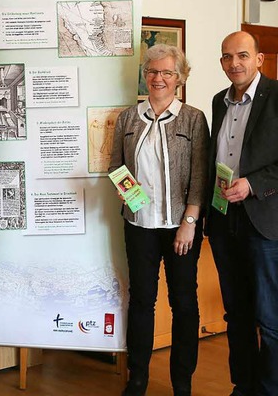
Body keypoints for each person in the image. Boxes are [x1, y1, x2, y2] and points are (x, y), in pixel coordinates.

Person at [109, 44, 209, 396]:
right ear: (145, 74)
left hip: (181, 227)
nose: (159, 78)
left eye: (167, 72)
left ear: (179, 78)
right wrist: (125, 188)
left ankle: (182, 382)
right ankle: (137, 380)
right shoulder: (127, 118)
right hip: (139, 226)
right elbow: (115, 166)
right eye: (153, 71)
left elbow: (200, 176)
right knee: (141, 302)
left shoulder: (193, 118)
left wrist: (190, 221)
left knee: (183, 303)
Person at [205, 31, 278, 396]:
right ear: (221, 63)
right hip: (223, 223)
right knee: (237, 316)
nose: (235, 63)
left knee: (270, 319)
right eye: (228, 57)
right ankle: (244, 386)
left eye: (243, 56)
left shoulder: (277, 97)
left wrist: (253, 184)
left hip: (264, 224)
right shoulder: (219, 101)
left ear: (259, 59)